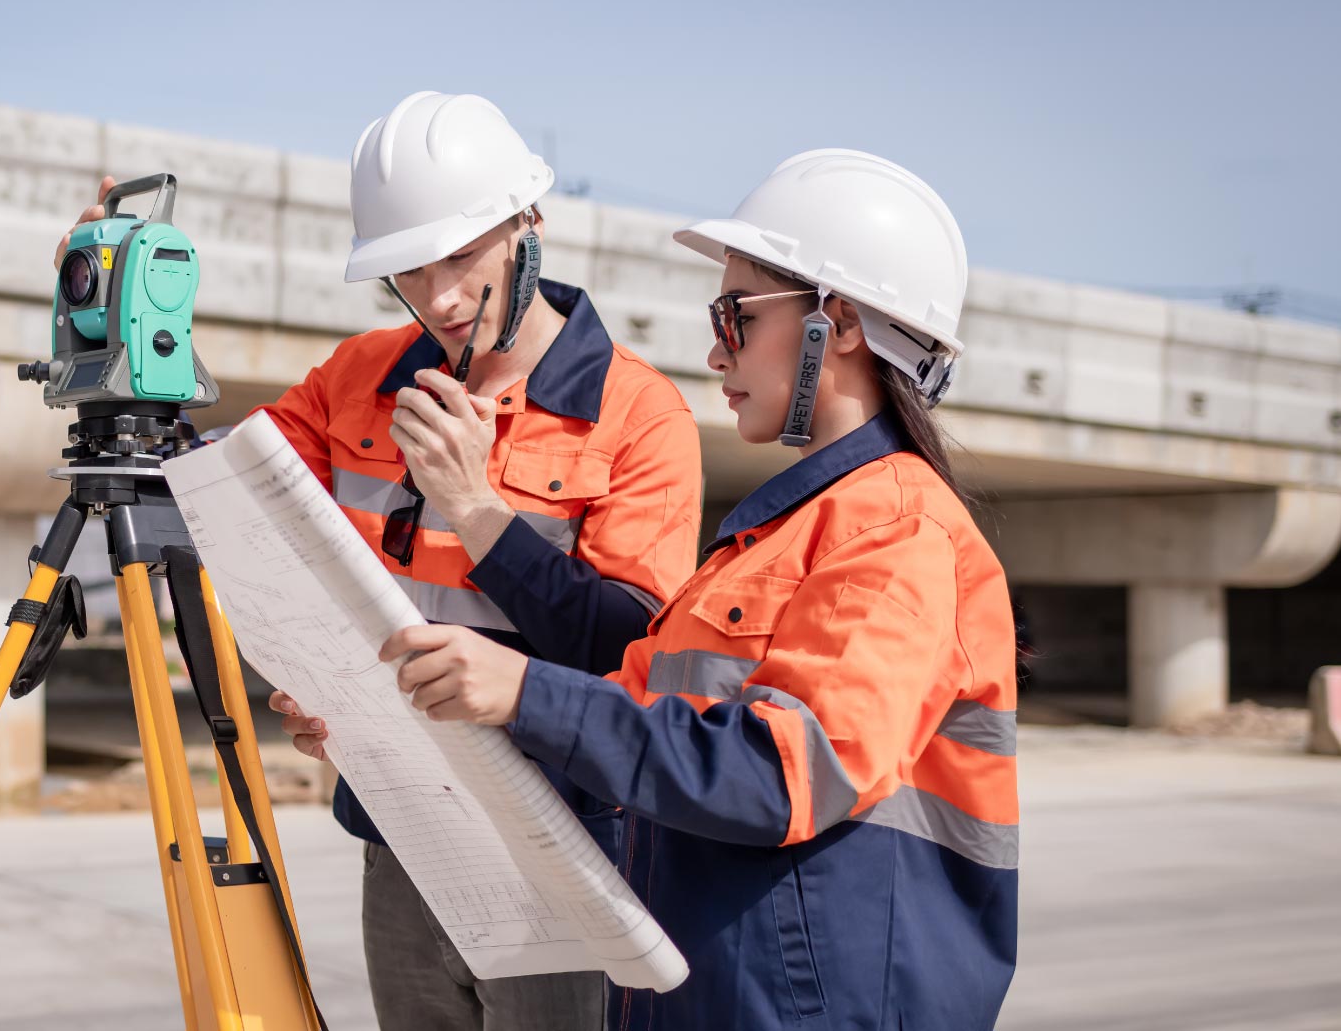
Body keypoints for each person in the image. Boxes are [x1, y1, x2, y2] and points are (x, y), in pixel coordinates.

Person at [61, 92, 703, 1031]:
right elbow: (221, 488)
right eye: (409, 271)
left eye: (460, 259)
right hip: (398, 832)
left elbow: (623, 652)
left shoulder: (640, 416)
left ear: (530, 226)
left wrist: (479, 512)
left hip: (559, 846)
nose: (438, 300)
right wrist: (122, 327)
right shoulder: (356, 375)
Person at [359, 150, 1019, 1030]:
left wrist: (521, 688)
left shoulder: (899, 532)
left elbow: (782, 775)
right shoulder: (771, 537)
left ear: (844, 324)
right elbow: (637, 722)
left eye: (736, 315)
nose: (715, 349)